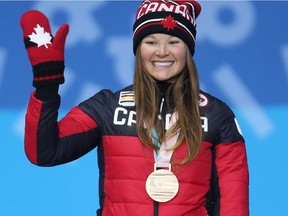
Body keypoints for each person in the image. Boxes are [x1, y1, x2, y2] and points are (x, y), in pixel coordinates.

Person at [20, 0, 249, 215]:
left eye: (173, 42)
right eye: (151, 42)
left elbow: (233, 204)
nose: (161, 52)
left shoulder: (217, 115)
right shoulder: (106, 107)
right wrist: (47, 86)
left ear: (188, 50)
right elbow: (44, 153)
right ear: (138, 49)